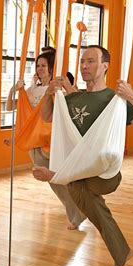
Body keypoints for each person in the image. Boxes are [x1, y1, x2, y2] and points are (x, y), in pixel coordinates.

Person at [33, 45, 133, 266]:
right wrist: (49, 93)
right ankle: (121, 251)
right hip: (81, 174)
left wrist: (132, 96)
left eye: (91, 61)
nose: (84, 66)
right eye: (82, 61)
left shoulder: (114, 100)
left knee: (78, 185)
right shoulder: (74, 99)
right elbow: (46, 116)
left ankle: (58, 176)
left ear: (105, 66)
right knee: (83, 193)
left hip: (105, 173)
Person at [6, 48, 86, 230]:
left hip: (50, 139)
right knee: (54, 179)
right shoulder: (33, 90)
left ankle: (77, 213)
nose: (40, 68)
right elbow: (11, 107)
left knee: (56, 178)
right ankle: (79, 209)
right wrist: (14, 90)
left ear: (51, 69)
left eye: (44, 65)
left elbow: (67, 108)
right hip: (34, 141)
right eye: (38, 65)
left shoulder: (54, 90)